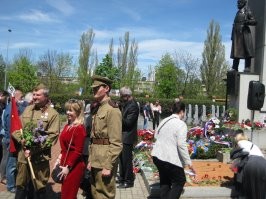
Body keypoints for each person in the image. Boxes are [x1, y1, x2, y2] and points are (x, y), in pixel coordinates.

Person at [12, 84, 60, 199]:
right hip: (24, 156)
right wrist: (21, 140)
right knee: (21, 186)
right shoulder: (28, 109)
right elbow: (16, 128)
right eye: (33, 94)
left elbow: (52, 137)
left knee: (39, 187)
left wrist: (33, 148)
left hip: (39, 158)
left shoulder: (53, 114)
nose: (34, 97)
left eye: (38, 95)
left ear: (46, 96)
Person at [87, 75, 122, 199]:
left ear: (106, 88)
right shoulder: (99, 108)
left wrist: (108, 165)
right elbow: (93, 138)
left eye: (97, 88)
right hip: (96, 157)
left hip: (105, 159)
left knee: (105, 194)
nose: (94, 90)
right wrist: (91, 159)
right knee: (95, 192)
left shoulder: (112, 110)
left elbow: (117, 142)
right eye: (93, 88)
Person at [151, 101, 195, 199]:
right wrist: (188, 162)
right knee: (180, 181)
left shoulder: (164, 120)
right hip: (169, 158)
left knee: (165, 180)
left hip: (157, 155)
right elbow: (181, 144)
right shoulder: (181, 124)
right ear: (182, 112)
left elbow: (155, 135)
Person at [53, 99, 86, 199]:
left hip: (73, 166)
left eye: (71, 110)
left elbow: (77, 151)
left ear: (77, 112)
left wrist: (68, 166)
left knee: (69, 195)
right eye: (67, 110)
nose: (67, 112)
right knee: (65, 193)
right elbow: (64, 148)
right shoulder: (68, 125)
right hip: (64, 163)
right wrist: (58, 159)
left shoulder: (79, 128)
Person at [1, 89, 27, 193]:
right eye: (21, 98)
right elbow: (12, 128)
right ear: (15, 97)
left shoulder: (13, 108)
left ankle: (11, 182)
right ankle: (11, 186)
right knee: (11, 164)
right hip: (10, 140)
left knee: (11, 163)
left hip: (10, 139)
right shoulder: (11, 110)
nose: (22, 100)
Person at [230, 130, 266, 199]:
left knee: (250, 188)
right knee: (261, 188)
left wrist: (233, 167)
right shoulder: (253, 145)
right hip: (263, 163)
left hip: (251, 163)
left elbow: (237, 160)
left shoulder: (240, 143)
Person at [117, 86, 139, 188]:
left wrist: (118, 113)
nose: (121, 98)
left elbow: (128, 123)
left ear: (126, 96)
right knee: (121, 160)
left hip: (128, 137)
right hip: (123, 136)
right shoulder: (126, 104)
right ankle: (122, 178)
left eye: (122, 96)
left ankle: (129, 181)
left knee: (126, 160)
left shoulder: (133, 106)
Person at [230, 0, 257, 72]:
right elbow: (234, 24)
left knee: (247, 50)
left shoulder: (248, 11)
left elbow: (254, 21)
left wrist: (247, 22)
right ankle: (235, 67)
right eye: (237, 3)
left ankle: (247, 67)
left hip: (244, 33)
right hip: (237, 34)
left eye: (239, 3)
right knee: (236, 51)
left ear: (244, 3)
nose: (238, 4)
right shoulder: (237, 13)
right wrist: (232, 35)